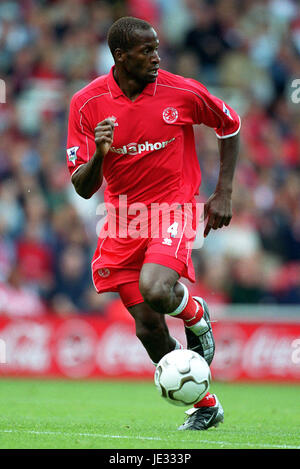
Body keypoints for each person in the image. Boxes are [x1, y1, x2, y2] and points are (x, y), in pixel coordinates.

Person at [66, 16, 240, 430]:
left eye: (157, 47)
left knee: (156, 288)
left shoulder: (181, 91)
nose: (157, 57)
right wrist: (100, 154)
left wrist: (224, 192)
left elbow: (229, 124)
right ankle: (205, 405)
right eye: (147, 51)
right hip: (121, 221)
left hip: (172, 210)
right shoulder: (87, 104)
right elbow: (82, 187)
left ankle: (195, 313)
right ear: (120, 56)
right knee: (148, 329)